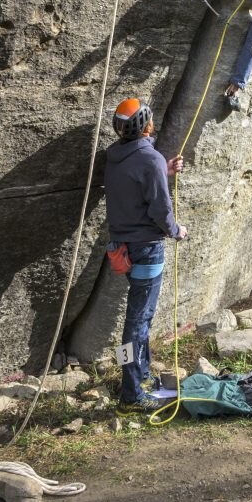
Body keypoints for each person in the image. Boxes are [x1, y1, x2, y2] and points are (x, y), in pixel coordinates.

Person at [104, 97, 187, 415]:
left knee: (136, 321)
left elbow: (134, 182)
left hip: (123, 249)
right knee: (137, 323)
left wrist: (162, 170)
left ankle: (138, 377)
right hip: (147, 250)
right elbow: (160, 211)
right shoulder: (149, 159)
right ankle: (131, 393)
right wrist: (176, 230)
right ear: (147, 126)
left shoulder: (115, 157)